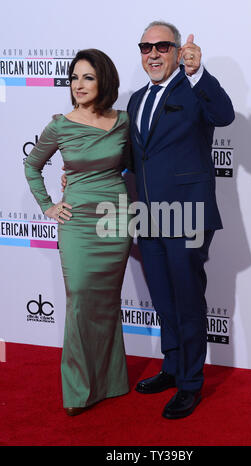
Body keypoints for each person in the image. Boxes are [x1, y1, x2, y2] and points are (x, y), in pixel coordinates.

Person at [126, 21, 235, 419]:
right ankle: (172, 367)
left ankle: (191, 382)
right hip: (149, 216)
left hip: (188, 215)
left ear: (176, 51)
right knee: (164, 298)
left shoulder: (193, 88)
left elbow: (224, 115)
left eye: (161, 46)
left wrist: (198, 73)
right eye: (145, 47)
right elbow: (136, 157)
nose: (152, 54)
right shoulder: (136, 100)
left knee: (188, 300)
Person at [25, 49, 132, 416]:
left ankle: (112, 382)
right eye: (74, 78)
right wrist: (48, 205)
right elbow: (32, 165)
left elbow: (136, 167)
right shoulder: (60, 125)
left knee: (106, 303)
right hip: (78, 222)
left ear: (104, 80)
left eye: (87, 77)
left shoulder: (123, 122)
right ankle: (79, 390)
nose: (79, 85)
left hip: (115, 221)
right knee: (80, 300)